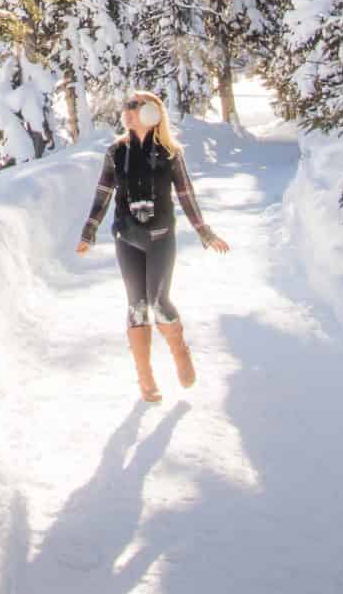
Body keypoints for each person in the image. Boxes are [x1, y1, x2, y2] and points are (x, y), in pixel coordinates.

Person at [75, 88, 230, 403]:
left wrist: (205, 232)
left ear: (151, 112)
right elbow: (103, 193)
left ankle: (179, 350)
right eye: (127, 107)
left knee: (158, 302)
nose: (128, 112)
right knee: (137, 306)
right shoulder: (116, 152)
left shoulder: (170, 153)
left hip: (161, 239)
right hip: (127, 238)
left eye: (135, 106)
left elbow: (186, 196)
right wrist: (89, 231)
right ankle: (145, 379)